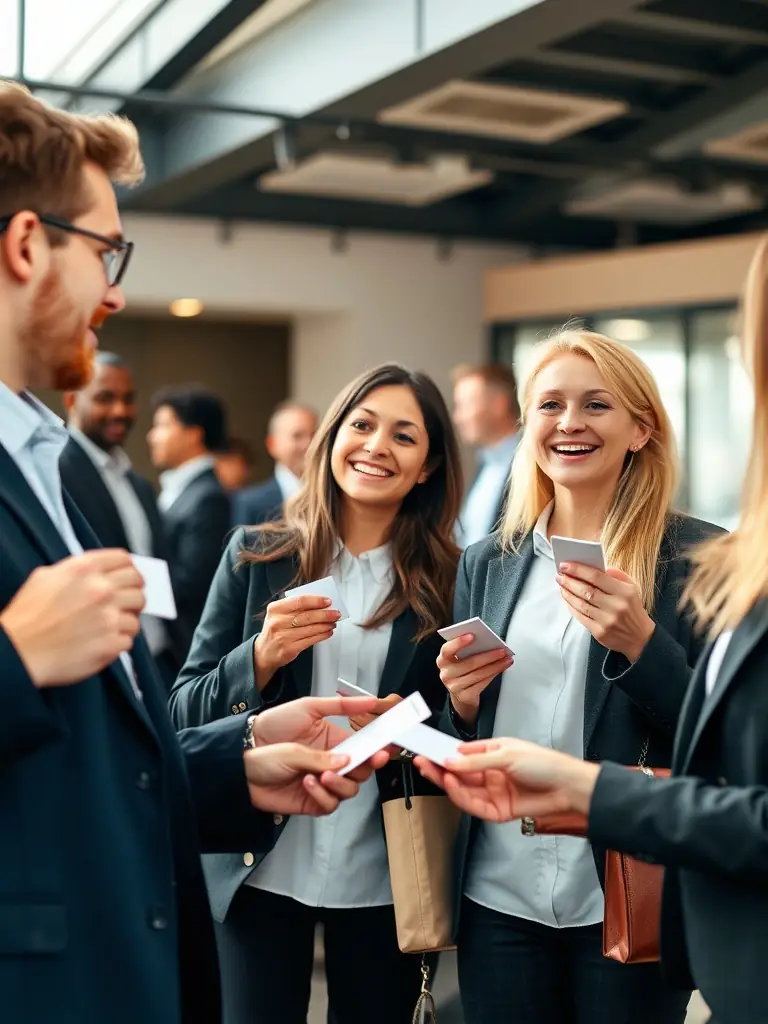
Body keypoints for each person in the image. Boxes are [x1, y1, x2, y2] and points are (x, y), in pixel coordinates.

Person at [0, 81, 388, 1024]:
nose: (117, 288)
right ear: (24, 246)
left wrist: (235, 759)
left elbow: (93, 759)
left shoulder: (55, 465)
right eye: (106, 251)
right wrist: (12, 663)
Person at [419, 241, 768, 1024]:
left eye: (596, 404)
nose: (569, 423)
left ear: (641, 429)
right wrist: (463, 706)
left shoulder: (703, 560)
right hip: (498, 895)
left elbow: (718, 746)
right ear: (526, 426)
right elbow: (462, 736)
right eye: (550, 404)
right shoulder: (490, 560)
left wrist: (644, 647)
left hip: (624, 893)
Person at [170, 363, 463, 1024]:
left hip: (389, 870)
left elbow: (465, 729)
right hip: (258, 867)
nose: (376, 445)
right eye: (361, 425)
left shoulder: (453, 579)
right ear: (330, 441)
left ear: (426, 466)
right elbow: (183, 712)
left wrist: (427, 721)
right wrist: (260, 658)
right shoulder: (256, 555)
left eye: (404, 435)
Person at [61, 350, 183, 688]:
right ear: (71, 399)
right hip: (99, 664)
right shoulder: (55, 472)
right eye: (105, 398)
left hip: (156, 658)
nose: (120, 411)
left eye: (128, 399)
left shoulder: (137, 483)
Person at [148, 385, 232, 656]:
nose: (152, 436)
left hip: (184, 646)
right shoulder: (181, 488)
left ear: (193, 434)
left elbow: (192, 583)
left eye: (163, 425)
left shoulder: (208, 497)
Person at [452, 362, 520, 547]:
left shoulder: (533, 465)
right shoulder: (486, 464)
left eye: (464, 406)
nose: (457, 417)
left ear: (499, 404)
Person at [232, 399, 317, 526]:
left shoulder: (338, 498)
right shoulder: (250, 503)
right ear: (272, 444)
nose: (309, 444)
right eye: (297, 436)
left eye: (315, 435)